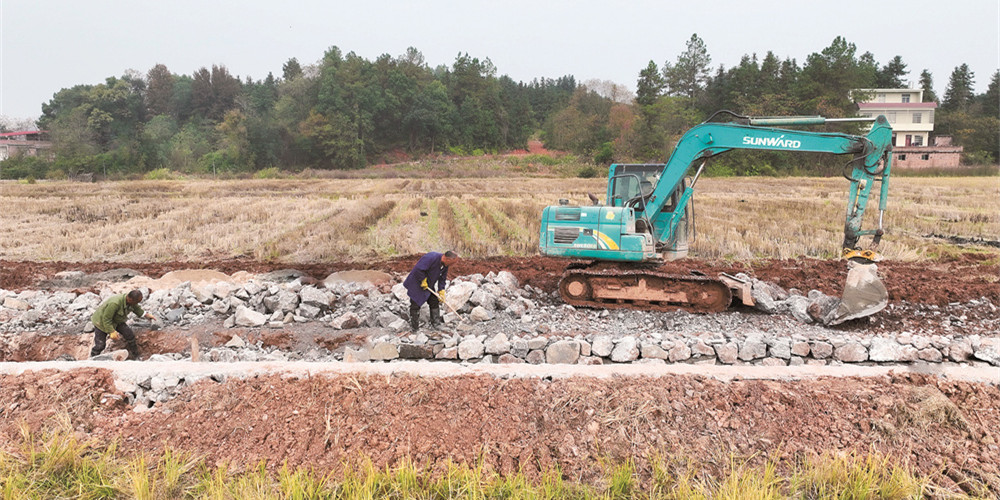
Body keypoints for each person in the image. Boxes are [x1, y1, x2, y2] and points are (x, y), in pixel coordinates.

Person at [403, 250, 459, 332]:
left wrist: (441, 290)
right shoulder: (431, 257)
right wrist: (422, 280)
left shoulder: (445, 265)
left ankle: (436, 324)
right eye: (452, 263)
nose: (452, 265)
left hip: (428, 284)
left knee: (434, 301)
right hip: (417, 282)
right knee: (415, 304)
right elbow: (418, 269)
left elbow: (442, 279)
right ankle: (414, 327)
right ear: (448, 259)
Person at [90, 289, 156, 360]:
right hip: (101, 322)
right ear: (130, 299)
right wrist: (111, 331)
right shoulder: (115, 303)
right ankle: (92, 359)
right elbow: (106, 319)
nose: (137, 304)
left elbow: (136, 309)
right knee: (100, 345)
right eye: (136, 302)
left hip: (117, 320)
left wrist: (146, 314)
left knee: (129, 335)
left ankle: (136, 356)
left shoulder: (131, 302)